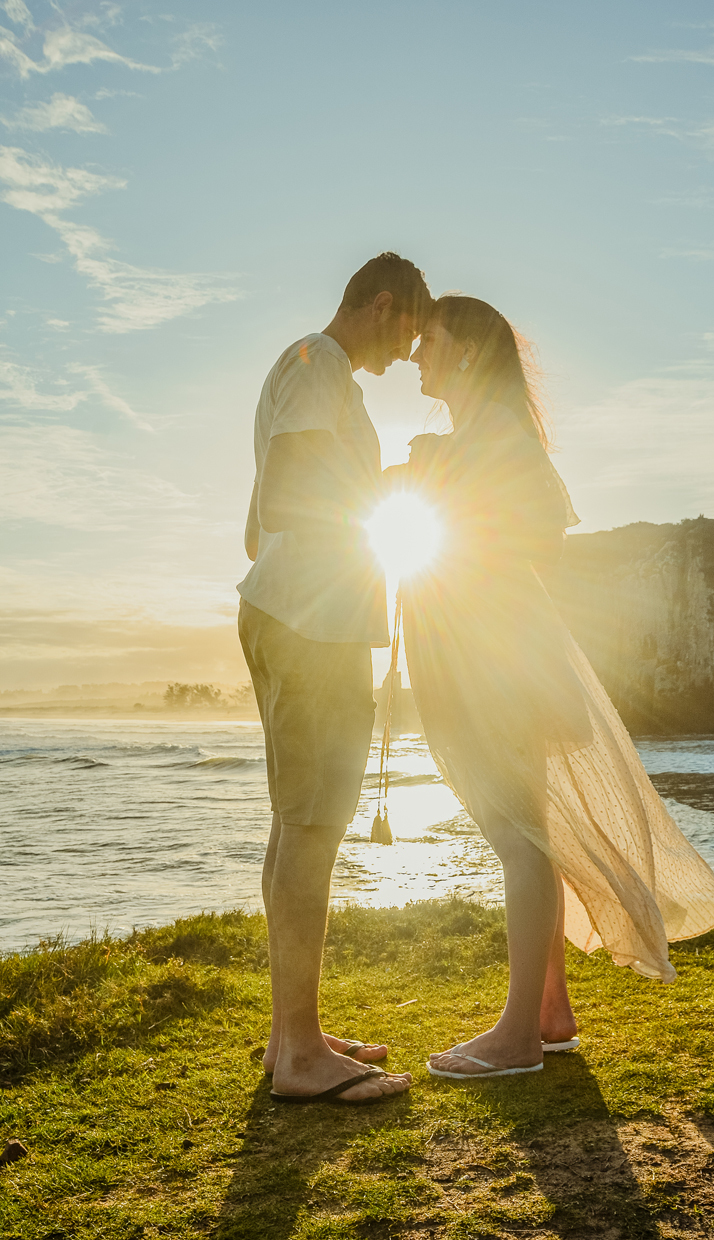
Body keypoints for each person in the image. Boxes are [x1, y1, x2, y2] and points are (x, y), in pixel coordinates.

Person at [388, 295, 714, 1080]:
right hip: (489, 654)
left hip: (498, 660)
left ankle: (514, 1038)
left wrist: (437, 474)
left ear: (467, 351)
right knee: (526, 828)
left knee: (519, 838)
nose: (414, 355)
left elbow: (532, 538)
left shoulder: (497, 439)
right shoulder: (474, 438)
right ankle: (546, 1012)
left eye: (428, 341)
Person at [238, 253, 432, 1104]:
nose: (409, 351)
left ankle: (292, 1036)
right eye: (408, 330)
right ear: (382, 306)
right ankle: (306, 1057)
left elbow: (256, 530)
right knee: (313, 825)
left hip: (293, 610)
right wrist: (391, 483)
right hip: (307, 623)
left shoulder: (315, 374)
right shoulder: (318, 364)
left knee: (298, 822)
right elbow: (284, 497)